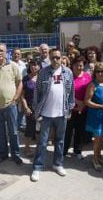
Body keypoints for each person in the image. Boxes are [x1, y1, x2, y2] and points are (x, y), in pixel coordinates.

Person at [31, 48, 75, 182]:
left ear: (62, 58)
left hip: (62, 114)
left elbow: (71, 91)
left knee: (60, 141)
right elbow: (37, 92)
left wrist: (70, 108)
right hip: (46, 114)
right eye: (53, 58)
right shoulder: (43, 72)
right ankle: (37, 167)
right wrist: (36, 111)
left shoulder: (68, 72)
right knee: (42, 142)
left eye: (57, 57)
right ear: (49, 58)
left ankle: (58, 164)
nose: (55, 60)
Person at [85, 62, 103, 171]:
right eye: (98, 71)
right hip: (95, 115)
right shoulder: (92, 85)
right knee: (97, 138)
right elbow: (87, 101)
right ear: (95, 73)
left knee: (101, 138)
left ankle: (99, 156)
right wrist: (101, 106)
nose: (100, 73)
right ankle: (95, 159)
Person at [64, 56, 91, 159]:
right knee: (67, 131)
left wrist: (83, 104)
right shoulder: (68, 76)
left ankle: (77, 151)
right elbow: (65, 92)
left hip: (83, 109)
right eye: (76, 65)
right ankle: (64, 151)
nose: (79, 67)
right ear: (72, 65)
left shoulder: (87, 76)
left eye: (81, 65)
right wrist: (77, 102)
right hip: (70, 108)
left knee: (80, 131)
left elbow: (90, 91)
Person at [21, 59, 41, 157]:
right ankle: (27, 148)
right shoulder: (25, 79)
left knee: (39, 129)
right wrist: (25, 107)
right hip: (30, 107)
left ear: (40, 67)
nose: (34, 67)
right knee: (29, 128)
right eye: (32, 65)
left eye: (36, 65)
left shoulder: (42, 78)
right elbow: (22, 96)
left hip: (41, 108)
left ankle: (39, 148)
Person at [12, 47, 27, 130]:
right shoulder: (8, 64)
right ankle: (14, 127)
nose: (16, 55)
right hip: (12, 91)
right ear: (12, 54)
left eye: (18, 54)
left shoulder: (23, 65)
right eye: (15, 53)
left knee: (21, 109)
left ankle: (19, 125)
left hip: (21, 90)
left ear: (20, 55)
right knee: (13, 110)